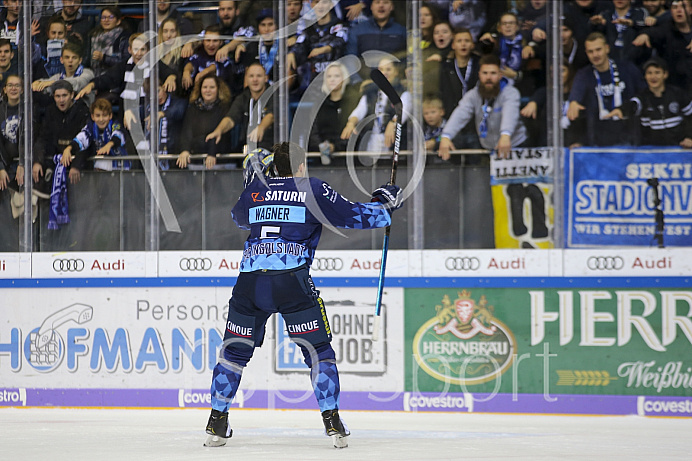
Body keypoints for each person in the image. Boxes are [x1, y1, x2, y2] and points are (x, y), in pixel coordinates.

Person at [203, 141, 402, 449]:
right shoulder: (312, 189)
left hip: (250, 282)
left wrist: (255, 189)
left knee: (233, 352)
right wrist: (385, 204)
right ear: (300, 167)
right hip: (291, 281)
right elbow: (358, 216)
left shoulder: (257, 187)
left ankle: (216, 422)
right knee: (319, 351)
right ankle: (332, 421)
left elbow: (239, 219)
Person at [438, 53, 528, 161]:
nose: (488, 77)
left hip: (515, 145)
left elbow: (510, 113)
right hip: (488, 147)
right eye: (485, 73)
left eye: (493, 73)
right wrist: (446, 136)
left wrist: (505, 134)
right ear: (479, 74)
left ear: (500, 75)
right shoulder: (473, 94)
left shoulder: (510, 93)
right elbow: (461, 113)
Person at [567, 32, 645, 147]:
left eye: (598, 50)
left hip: (627, 137)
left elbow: (644, 94)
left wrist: (625, 108)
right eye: (590, 51)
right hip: (598, 140)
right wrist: (573, 102)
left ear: (607, 48)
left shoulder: (627, 68)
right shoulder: (584, 74)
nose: (595, 55)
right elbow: (576, 93)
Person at [611, 57, 692, 147]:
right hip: (651, 152)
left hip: (679, 149)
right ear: (645, 76)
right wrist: (621, 110)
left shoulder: (678, 94)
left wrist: (690, 138)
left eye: (657, 72)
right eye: (649, 73)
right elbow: (633, 105)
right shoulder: (642, 97)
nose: (653, 77)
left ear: (665, 74)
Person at [342, 57, 412, 154]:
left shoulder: (403, 92)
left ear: (396, 72)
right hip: (372, 141)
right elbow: (360, 110)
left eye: (388, 69)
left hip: (394, 143)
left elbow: (403, 112)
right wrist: (351, 123)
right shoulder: (370, 92)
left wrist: (392, 124)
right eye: (381, 70)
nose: (384, 73)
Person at [33, 80, 89, 193]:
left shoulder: (82, 110)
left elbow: (86, 139)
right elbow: (43, 138)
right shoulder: (50, 111)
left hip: (78, 166)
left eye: (64, 95)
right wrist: (37, 161)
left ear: (72, 95)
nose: (61, 100)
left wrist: (76, 165)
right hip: (56, 163)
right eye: (57, 96)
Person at [206, 61, 275, 153]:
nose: (255, 80)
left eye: (259, 76)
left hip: (269, 147)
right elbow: (230, 119)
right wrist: (219, 130)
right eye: (251, 76)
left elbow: (270, 116)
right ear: (246, 79)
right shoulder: (243, 97)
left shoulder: (273, 95)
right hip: (247, 146)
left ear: (266, 78)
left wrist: (261, 128)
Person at [287, 0, 349, 95]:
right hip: (313, 85)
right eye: (316, 2)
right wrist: (292, 52)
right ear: (311, 5)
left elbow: (341, 39)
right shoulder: (308, 29)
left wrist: (326, 48)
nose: (320, 6)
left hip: (336, 84)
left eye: (324, 2)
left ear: (331, 5)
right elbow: (301, 43)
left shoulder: (340, 24)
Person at [632, 0, 692, 89]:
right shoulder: (666, 29)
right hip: (676, 86)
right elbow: (655, 32)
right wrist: (645, 34)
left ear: (690, 10)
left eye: (683, 7)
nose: (679, 10)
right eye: (675, 7)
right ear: (671, 11)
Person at [176, 74, 232, 170]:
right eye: (205, 87)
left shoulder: (225, 108)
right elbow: (186, 132)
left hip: (218, 162)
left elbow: (225, 136)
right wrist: (185, 150)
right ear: (200, 89)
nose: (208, 90)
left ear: (218, 89)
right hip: (196, 161)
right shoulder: (192, 108)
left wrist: (212, 153)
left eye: (212, 87)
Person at [438, 27, 481, 152]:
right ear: (453, 45)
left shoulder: (480, 65)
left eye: (467, 41)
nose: (463, 44)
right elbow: (442, 92)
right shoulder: (446, 67)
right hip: (453, 120)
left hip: (476, 121)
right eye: (459, 41)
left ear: (472, 45)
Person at [308, 61, 360, 163]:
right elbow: (312, 132)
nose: (332, 79)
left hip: (348, 159)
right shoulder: (319, 104)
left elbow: (355, 132)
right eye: (329, 76)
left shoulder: (352, 102)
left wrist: (334, 147)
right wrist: (322, 146)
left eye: (336, 76)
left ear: (344, 78)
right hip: (320, 159)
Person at [62, 98, 129, 174]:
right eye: (98, 115)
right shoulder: (90, 127)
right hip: (101, 167)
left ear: (110, 116)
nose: (101, 119)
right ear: (92, 117)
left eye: (104, 115)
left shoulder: (115, 124)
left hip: (121, 167)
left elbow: (118, 135)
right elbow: (81, 138)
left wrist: (109, 144)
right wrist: (68, 148)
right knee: (99, 163)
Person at [345, 0, 406, 77]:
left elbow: (405, 59)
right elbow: (350, 59)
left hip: (394, 83)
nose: (381, 5)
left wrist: (399, 79)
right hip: (364, 83)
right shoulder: (357, 30)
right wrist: (357, 82)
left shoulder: (401, 31)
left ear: (392, 7)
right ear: (371, 7)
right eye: (377, 2)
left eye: (386, 2)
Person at [479, 12, 524, 86]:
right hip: (494, 83)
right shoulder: (493, 42)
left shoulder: (525, 45)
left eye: (511, 23)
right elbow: (481, 50)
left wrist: (516, 75)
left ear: (517, 26)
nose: (508, 26)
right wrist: (485, 39)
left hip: (519, 85)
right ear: (499, 28)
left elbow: (530, 74)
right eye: (504, 23)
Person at [182, 25, 232, 92]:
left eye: (215, 41)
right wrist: (186, 71)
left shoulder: (225, 56)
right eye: (208, 40)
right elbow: (191, 63)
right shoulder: (199, 53)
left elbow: (216, 67)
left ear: (221, 42)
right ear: (203, 42)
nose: (211, 45)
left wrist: (204, 73)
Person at [84, 6, 130, 78]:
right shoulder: (93, 35)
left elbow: (125, 62)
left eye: (110, 17)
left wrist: (104, 58)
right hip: (93, 74)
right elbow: (86, 59)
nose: (106, 20)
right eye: (103, 17)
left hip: (115, 76)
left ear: (118, 21)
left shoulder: (124, 37)